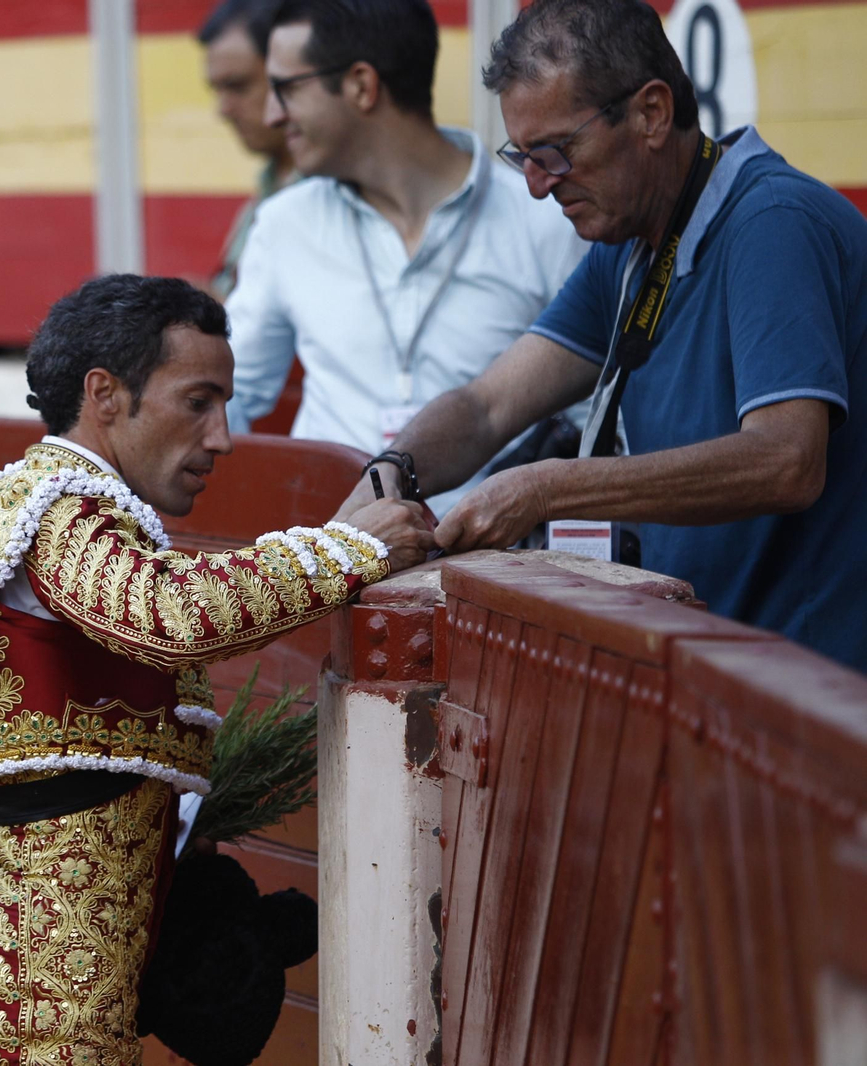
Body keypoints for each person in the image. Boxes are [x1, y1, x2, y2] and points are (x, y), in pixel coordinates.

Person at [0, 275, 432, 1066]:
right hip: (52, 984)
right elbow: (170, 618)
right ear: (105, 395)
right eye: (198, 401)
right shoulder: (62, 511)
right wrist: (350, 549)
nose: (222, 437)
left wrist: (82, 863)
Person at [336, 0, 867, 671]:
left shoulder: (774, 222)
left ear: (650, 113)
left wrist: (549, 488)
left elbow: (788, 461)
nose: (535, 187)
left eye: (556, 151)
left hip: (816, 685)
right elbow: (486, 406)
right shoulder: (631, 244)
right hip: (718, 670)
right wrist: (390, 476)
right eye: (522, 156)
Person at [225, 0, 587, 513]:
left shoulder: (545, 218)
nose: (271, 114)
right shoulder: (284, 224)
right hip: (330, 568)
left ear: (361, 86)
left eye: (285, 88)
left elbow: (602, 418)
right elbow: (227, 391)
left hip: (495, 573)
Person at [199, 0, 299, 300]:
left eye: (239, 86)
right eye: (218, 90)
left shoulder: (342, 193)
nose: (223, 109)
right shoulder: (267, 187)